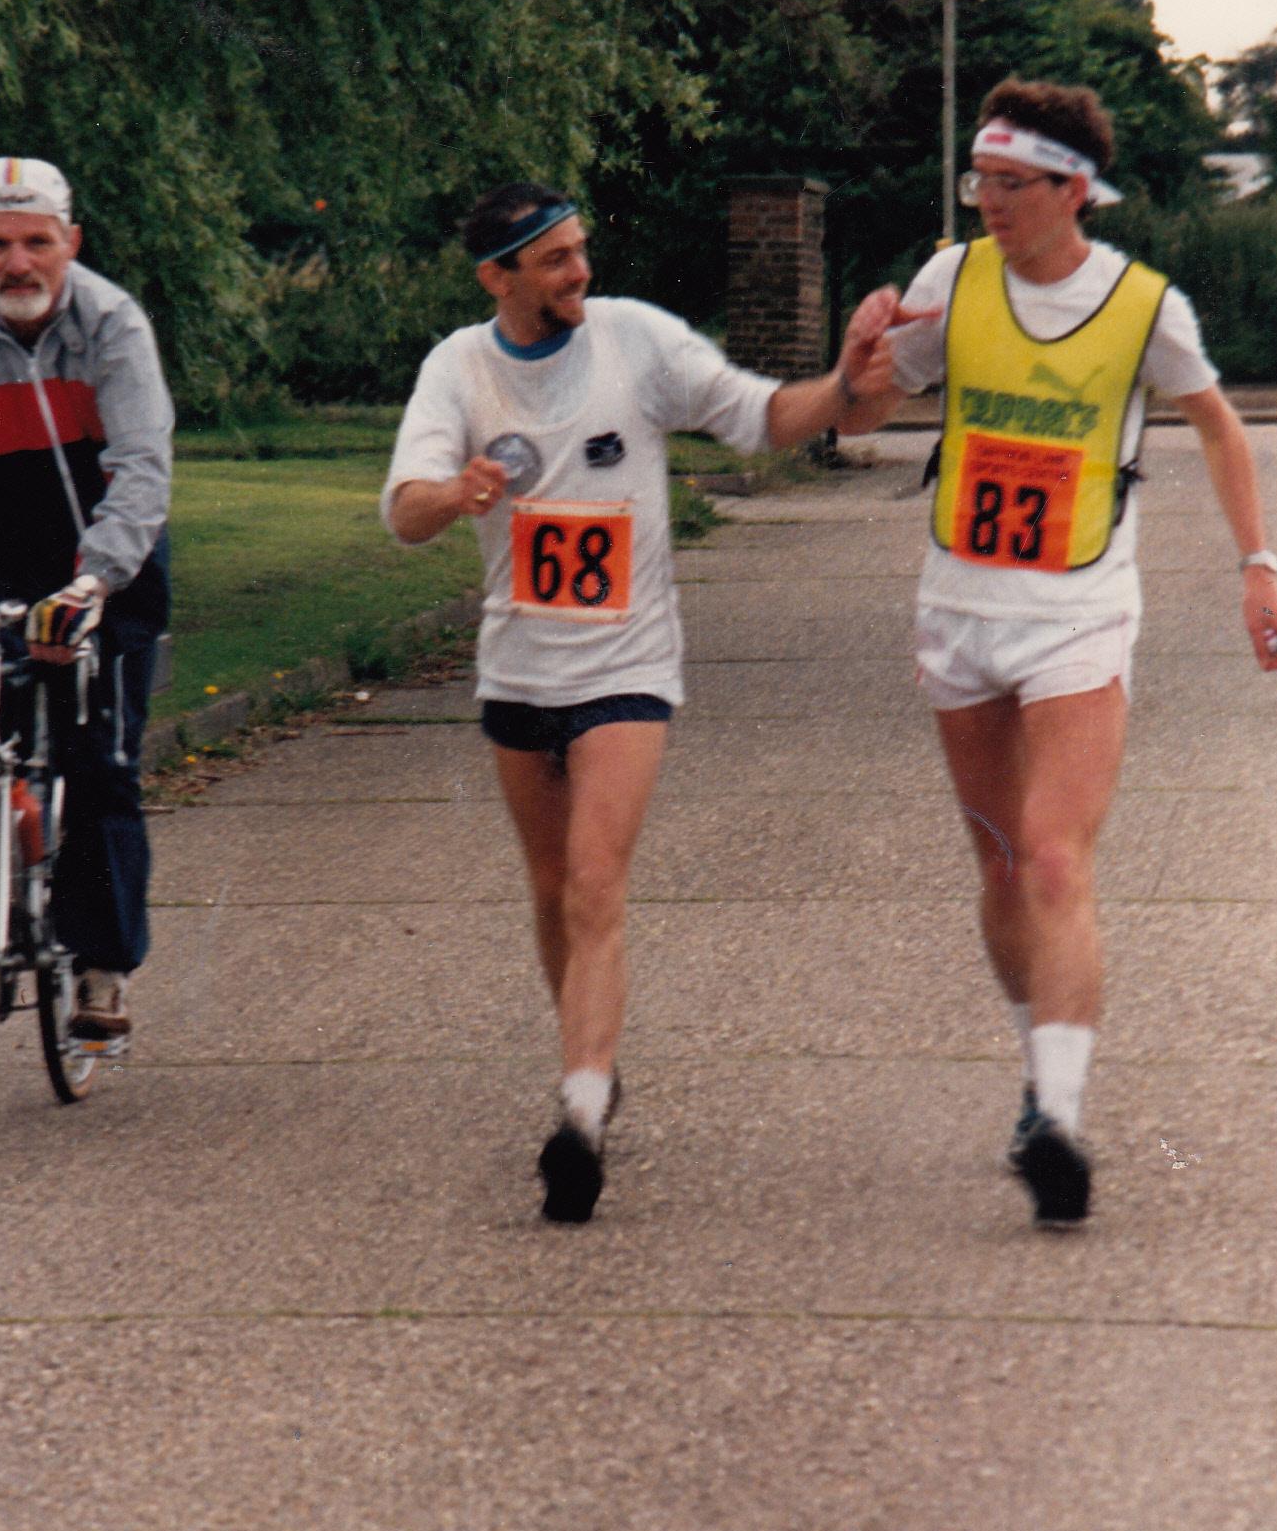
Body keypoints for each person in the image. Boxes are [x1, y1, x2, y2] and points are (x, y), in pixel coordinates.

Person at [382, 181, 899, 1223]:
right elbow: (405, 510)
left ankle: (578, 1117)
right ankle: (592, 1060)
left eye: (581, 250)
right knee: (549, 893)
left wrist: (843, 383)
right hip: (518, 670)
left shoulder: (635, 340)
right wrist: (456, 492)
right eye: (555, 260)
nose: (580, 271)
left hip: (626, 669)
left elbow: (760, 417)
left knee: (592, 882)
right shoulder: (459, 365)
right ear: (497, 278)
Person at [850, 79, 1277, 1226]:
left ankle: (1058, 1118)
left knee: (1055, 857)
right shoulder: (951, 282)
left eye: (1011, 184)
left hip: (1078, 613)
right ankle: (1033, 1069)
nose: (989, 202)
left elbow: (1218, 427)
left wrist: (1258, 566)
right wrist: (858, 361)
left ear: (1072, 190)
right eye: (980, 182)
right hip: (959, 608)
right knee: (1004, 866)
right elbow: (864, 413)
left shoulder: (1145, 306)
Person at [0, 155, 174, 1044]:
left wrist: (93, 583)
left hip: (103, 529)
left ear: (70, 243)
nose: (18, 264)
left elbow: (143, 467)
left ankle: (102, 966)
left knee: (100, 757)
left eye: (37, 243)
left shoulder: (112, 322)